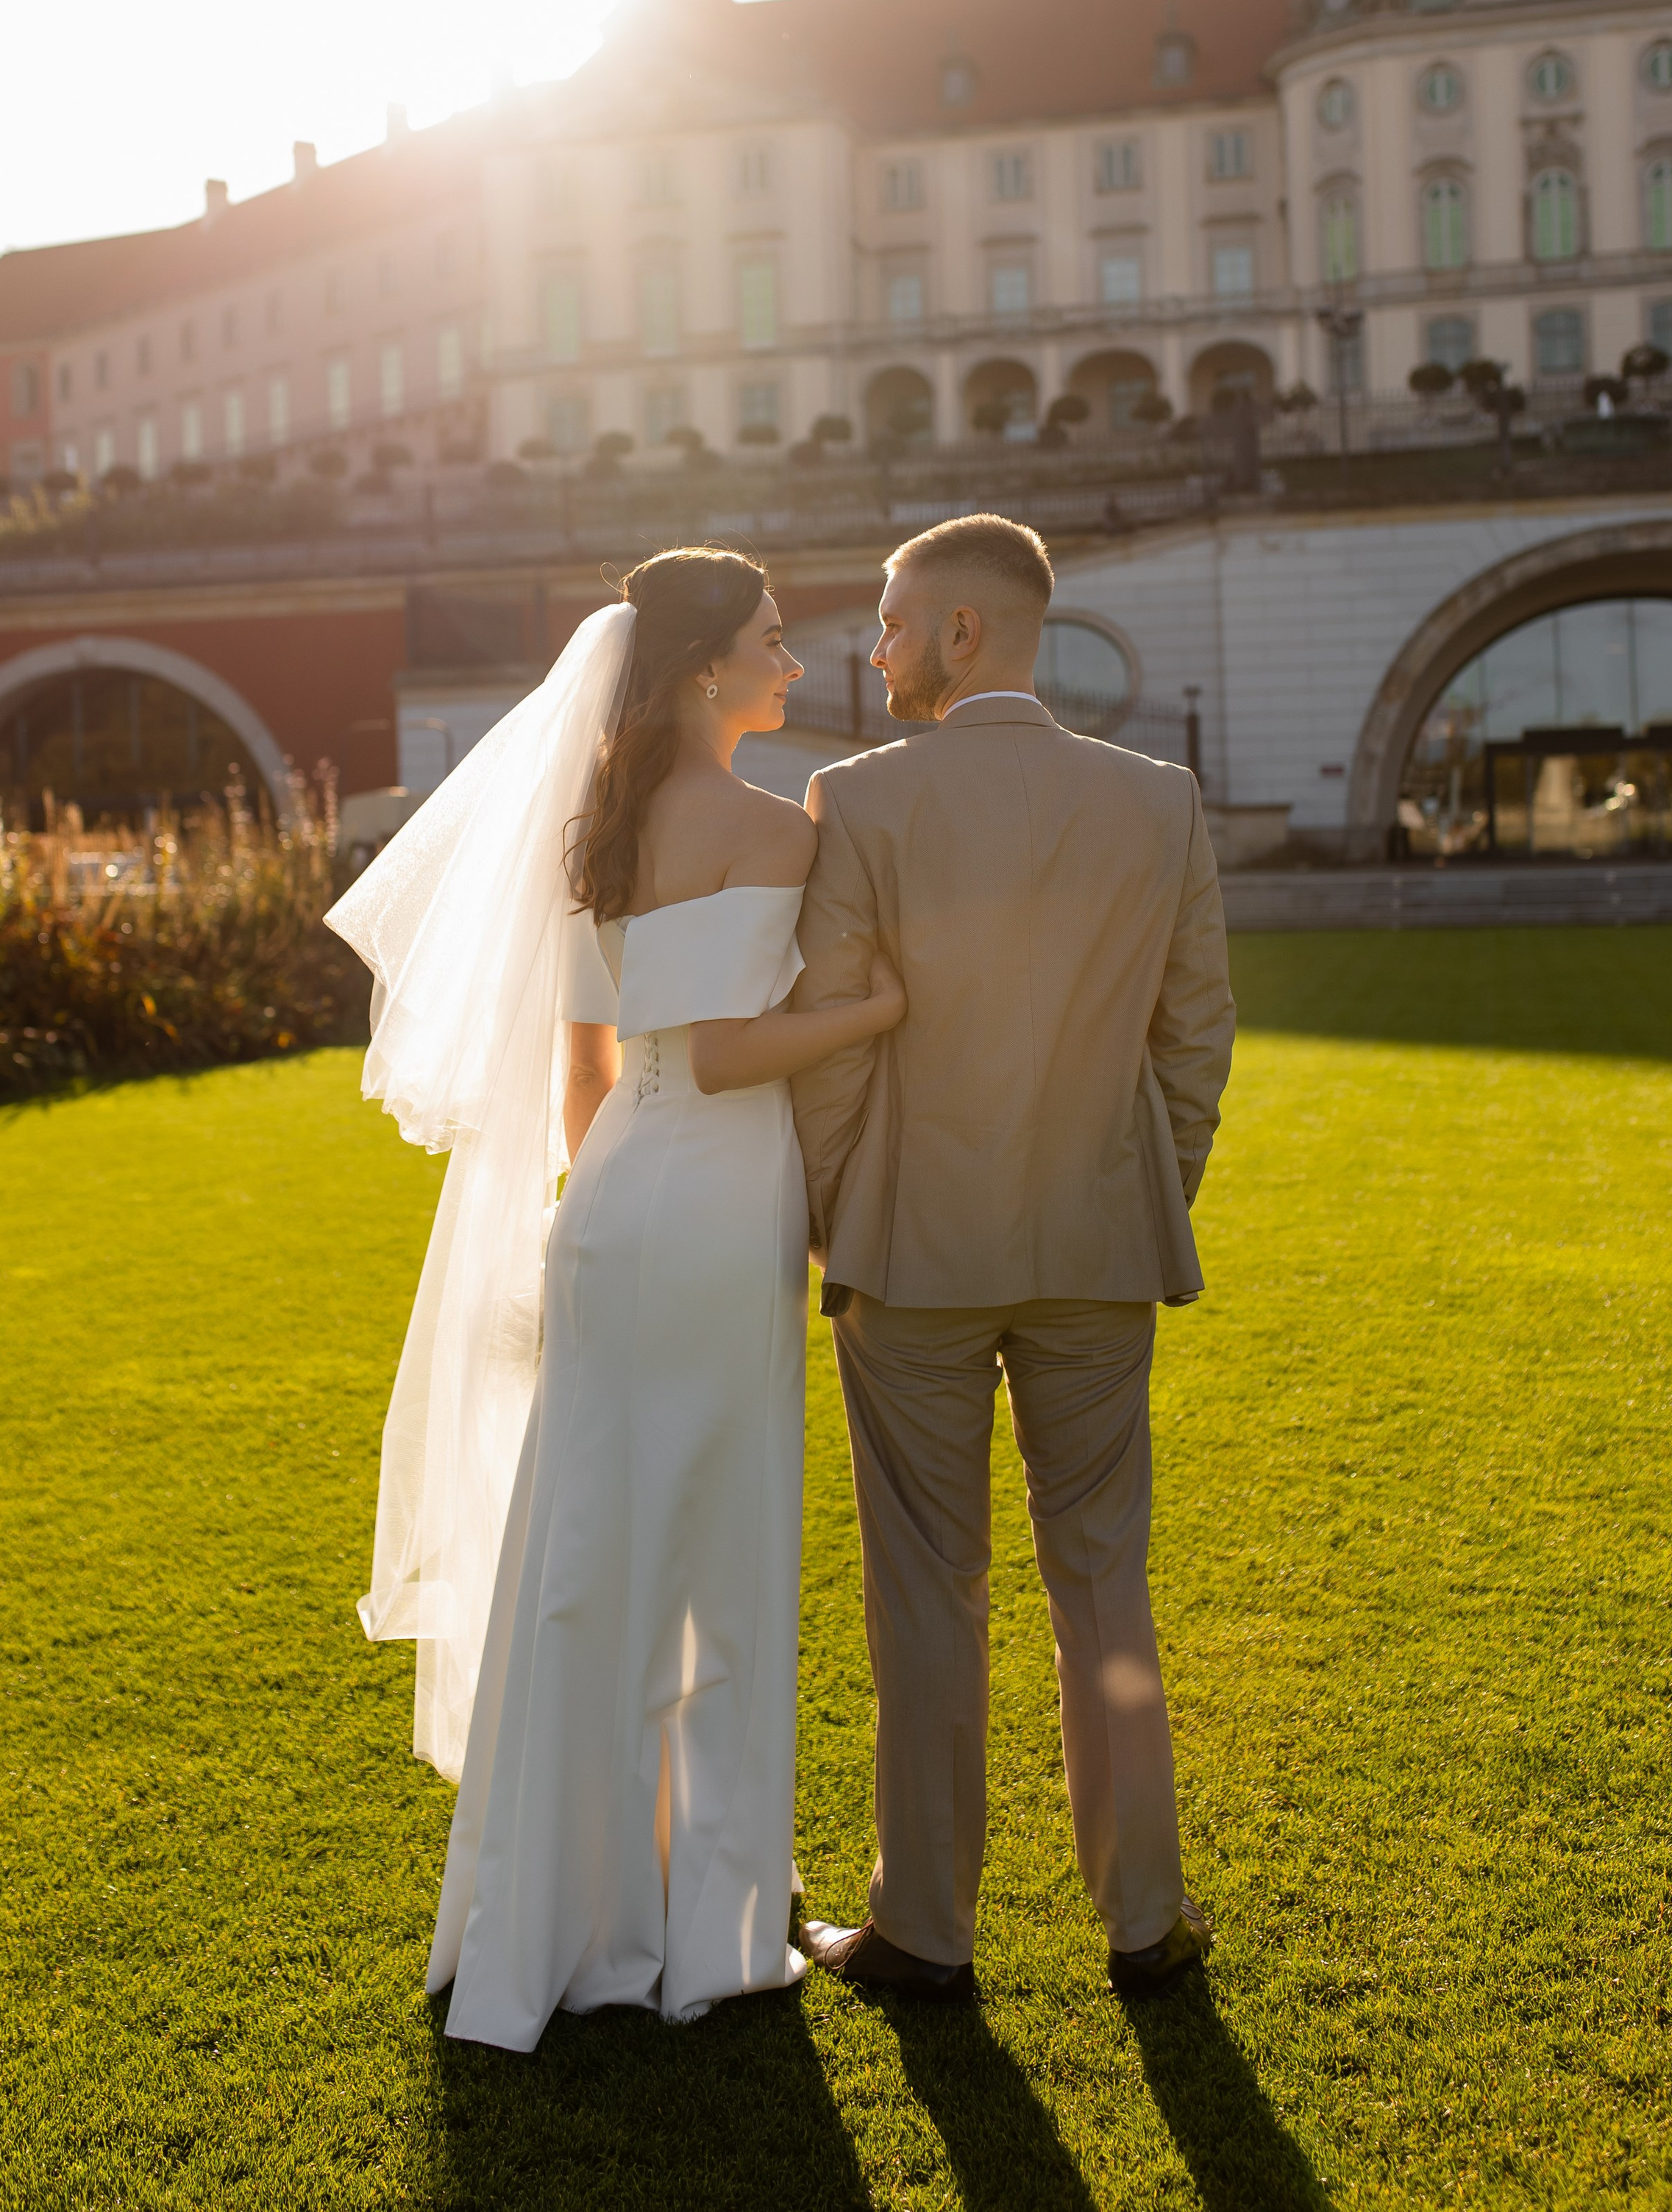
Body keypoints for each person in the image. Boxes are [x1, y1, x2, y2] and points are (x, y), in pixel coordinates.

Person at [326, 546, 903, 2053]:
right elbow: (719, 1052)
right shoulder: (771, 827)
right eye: (775, 643)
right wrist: (874, 1009)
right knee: (714, 1542)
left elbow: (595, 1073)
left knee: (586, 1544)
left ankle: (544, 1910)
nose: (795, 664)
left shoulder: (595, 824)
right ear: (708, 664)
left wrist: (619, 1193)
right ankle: (695, 1923)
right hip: (714, 1204)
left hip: (617, 1199)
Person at [788, 513, 1234, 2005]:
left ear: (962, 633)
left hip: (907, 1259)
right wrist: (1141, 1179)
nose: (877, 646)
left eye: (893, 619)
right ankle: (1143, 1922)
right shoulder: (1157, 798)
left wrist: (835, 1219)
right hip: (1099, 1247)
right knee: (1103, 1585)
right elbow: (1193, 1037)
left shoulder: (851, 802)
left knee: (926, 1594)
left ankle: (921, 1931)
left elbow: (833, 1056)